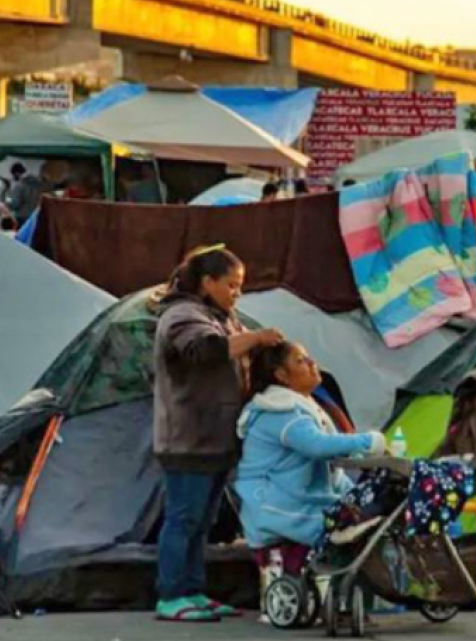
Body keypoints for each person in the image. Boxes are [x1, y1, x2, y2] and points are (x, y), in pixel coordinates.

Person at [153, 246, 285, 623]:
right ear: (207, 282)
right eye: (231, 285)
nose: (236, 293)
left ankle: (193, 591)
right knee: (183, 519)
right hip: (187, 440)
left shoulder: (224, 317)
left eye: (240, 286)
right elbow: (205, 350)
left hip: (217, 440)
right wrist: (256, 338)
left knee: (202, 523)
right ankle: (171, 595)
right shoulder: (181, 316)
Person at [234, 341, 385, 572]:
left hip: (297, 497)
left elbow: (332, 467)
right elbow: (317, 445)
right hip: (275, 507)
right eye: (301, 361)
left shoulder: (304, 405)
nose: (313, 363)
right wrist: (367, 441)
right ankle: (335, 529)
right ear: (282, 375)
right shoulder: (281, 411)